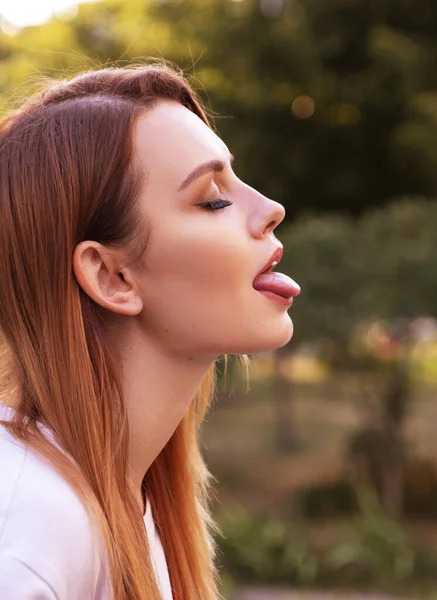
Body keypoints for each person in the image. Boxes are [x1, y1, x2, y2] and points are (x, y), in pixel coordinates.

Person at [0, 64, 301, 600]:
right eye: (213, 198)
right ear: (111, 276)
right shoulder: (33, 519)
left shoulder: (129, 503)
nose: (271, 209)